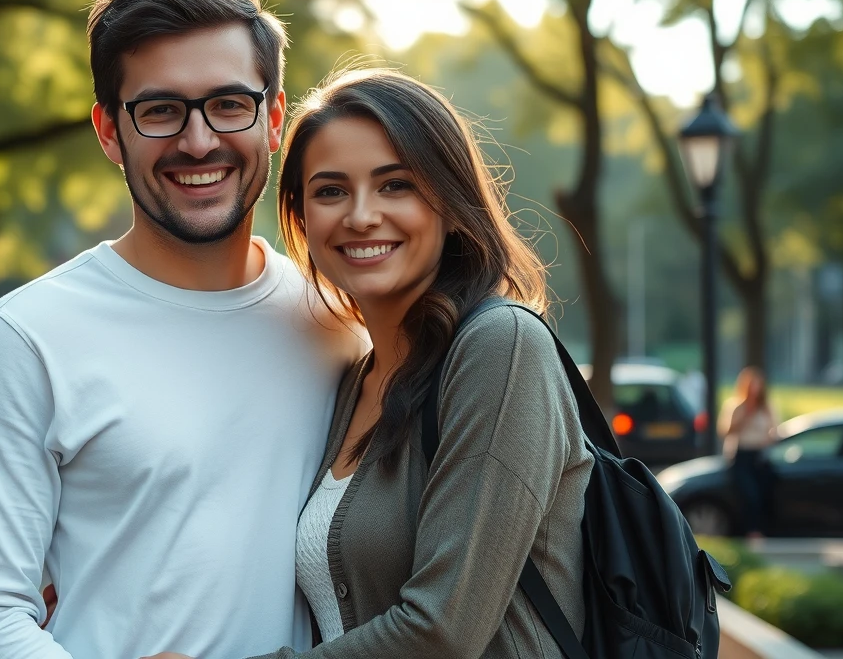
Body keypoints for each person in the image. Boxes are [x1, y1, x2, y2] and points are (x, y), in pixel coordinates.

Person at [0, 0, 364, 659]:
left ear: (274, 117)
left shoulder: (338, 325)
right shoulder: (26, 339)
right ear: (110, 131)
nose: (198, 142)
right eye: (161, 110)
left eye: (229, 103)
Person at [146, 68, 594, 659]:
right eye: (330, 191)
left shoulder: (500, 349)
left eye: (395, 185)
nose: (360, 216)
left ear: (451, 203)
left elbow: (444, 630)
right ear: (302, 218)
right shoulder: (356, 374)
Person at [718, 366, 776, 539]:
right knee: (749, 493)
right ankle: (751, 532)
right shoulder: (736, 406)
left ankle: (762, 528)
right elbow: (725, 431)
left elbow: (773, 430)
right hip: (741, 454)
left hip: (760, 455)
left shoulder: (766, 407)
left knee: (763, 492)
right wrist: (745, 416)